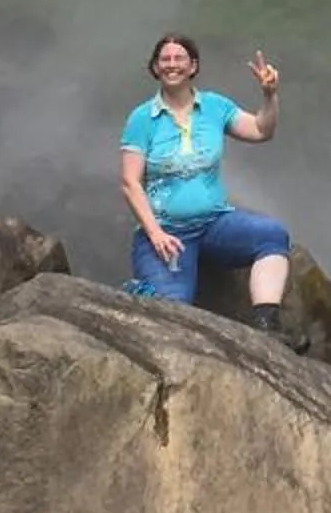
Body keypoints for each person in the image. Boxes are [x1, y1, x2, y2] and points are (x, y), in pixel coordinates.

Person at [118, 33, 301, 343]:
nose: (172, 64)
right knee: (171, 316)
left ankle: (267, 327)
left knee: (272, 234)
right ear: (155, 68)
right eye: (165, 59)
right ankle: (143, 289)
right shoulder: (142, 118)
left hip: (215, 223)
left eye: (179, 58)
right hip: (167, 233)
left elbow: (261, 130)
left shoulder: (214, 107)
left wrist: (269, 95)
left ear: (193, 66)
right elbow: (129, 182)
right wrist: (156, 234)